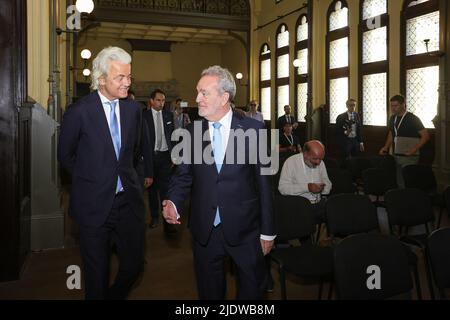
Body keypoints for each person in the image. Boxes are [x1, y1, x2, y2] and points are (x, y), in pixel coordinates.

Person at [162, 65, 275, 300]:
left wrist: (268, 231)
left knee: (252, 292)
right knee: (209, 292)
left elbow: (264, 185)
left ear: (224, 97)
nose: (197, 99)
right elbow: (183, 175)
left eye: (204, 93)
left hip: (246, 230)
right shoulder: (192, 132)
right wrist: (173, 201)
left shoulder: (255, 129)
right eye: (197, 92)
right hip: (205, 229)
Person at [58, 46, 153, 299]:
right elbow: (65, 156)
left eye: (129, 76)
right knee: (96, 276)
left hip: (128, 204)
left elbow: (133, 154)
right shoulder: (79, 111)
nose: (127, 83)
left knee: (133, 267)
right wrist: (91, 179)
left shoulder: (134, 110)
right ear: (101, 79)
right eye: (120, 77)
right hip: (93, 205)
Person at [143, 89, 176, 234]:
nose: (161, 103)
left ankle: (166, 218)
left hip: (165, 158)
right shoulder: (144, 116)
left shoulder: (169, 115)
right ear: (151, 101)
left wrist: (174, 155)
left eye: (163, 100)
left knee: (165, 190)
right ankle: (155, 217)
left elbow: (173, 137)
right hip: (150, 158)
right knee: (151, 191)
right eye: (158, 100)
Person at [379, 94, 429, 187]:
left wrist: (414, 149)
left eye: (395, 106)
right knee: (399, 180)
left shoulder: (412, 118)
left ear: (403, 105)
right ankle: (401, 198)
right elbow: (391, 133)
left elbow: (425, 136)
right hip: (396, 153)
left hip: (410, 156)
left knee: (408, 180)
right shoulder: (392, 118)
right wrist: (386, 147)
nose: (393, 108)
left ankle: (410, 198)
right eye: (391, 106)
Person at [278, 140, 332, 224]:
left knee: (339, 214)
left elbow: (328, 184)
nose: (318, 162)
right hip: (298, 207)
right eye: (314, 159)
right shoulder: (291, 162)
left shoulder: (321, 163)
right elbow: (283, 188)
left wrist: (323, 188)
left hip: (318, 203)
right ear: (305, 154)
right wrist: (307, 187)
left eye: (320, 159)